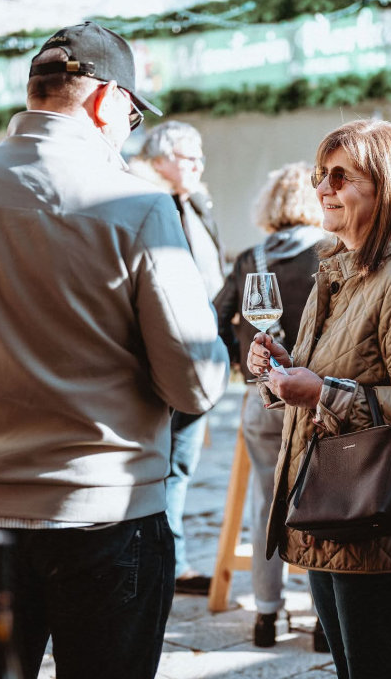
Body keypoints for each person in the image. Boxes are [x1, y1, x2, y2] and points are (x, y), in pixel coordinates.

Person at [0, 22, 229, 679]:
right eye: (132, 115)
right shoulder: (138, 203)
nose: (128, 131)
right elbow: (193, 382)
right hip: (108, 509)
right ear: (105, 100)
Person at [247, 120, 391, 679]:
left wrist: (321, 391)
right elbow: (341, 374)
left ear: (388, 188)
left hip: (383, 520)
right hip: (338, 514)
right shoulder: (345, 270)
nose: (323, 187)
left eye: (342, 176)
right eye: (322, 174)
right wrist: (282, 371)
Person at [214, 162, 328, 649]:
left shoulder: (251, 258)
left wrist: (241, 364)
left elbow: (215, 317)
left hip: (261, 398)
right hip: (319, 396)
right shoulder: (331, 252)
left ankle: (266, 614)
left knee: (266, 502)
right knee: (325, 504)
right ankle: (324, 620)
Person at [130, 120, 226, 594]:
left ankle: (173, 561)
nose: (197, 166)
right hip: (162, 351)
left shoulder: (196, 203)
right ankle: (156, 565)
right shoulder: (144, 203)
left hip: (201, 349)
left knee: (181, 466)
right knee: (157, 467)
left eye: (200, 157)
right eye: (188, 157)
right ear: (159, 160)